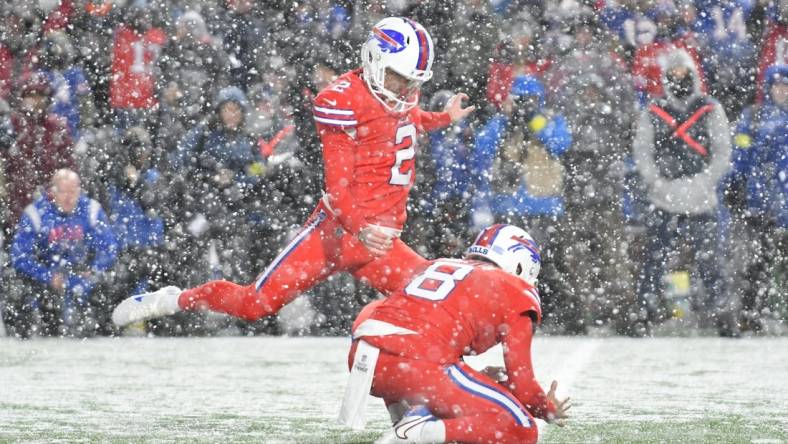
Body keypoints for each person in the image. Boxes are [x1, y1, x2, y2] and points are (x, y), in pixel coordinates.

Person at [111, 17, 473, 328]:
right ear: (376, 61)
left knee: (440, 302)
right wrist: (360, 228)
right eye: (399, 78)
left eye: (413, 81)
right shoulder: (343, 100)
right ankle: (176, 300)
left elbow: (406, 121)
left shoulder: (397, 96)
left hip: (378, 241)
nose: (406, 89)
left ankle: (420, 395)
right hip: (337, 234)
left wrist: (443, 118)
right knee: (254, 304)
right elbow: (338, 190)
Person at [343, 224, 570, 444]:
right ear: (521, 266)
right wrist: (546, 408)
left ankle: (407, 413)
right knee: (522, 428)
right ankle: (421, 430)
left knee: (422, 350)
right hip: (414, 362)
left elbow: (384, 314)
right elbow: (524, 387)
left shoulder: (436, 265)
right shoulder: (516, 289)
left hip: (365, 356)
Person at [632, 47, 733, 336]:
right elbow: (643, 153)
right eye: (673, 73)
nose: (679, 78)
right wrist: (659, 184)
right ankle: (646, 311)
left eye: (683, 73)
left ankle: (721, 313)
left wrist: (702, 182)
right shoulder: (653, 111)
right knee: (655, 259)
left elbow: (722, 153)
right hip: (662, 197)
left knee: (710, 260)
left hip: (702, 197)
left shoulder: (710, 109)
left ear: (692, 75)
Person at [3, 169, 118, 338]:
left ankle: (107, 330)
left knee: (114, 277)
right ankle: (24, 333)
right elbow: (20, 257)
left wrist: (93, 270)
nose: (69, 197)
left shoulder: (92, 210)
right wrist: (47, 276)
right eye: (64, 192)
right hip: (45, 279)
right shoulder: (35, 214)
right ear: (52, 192)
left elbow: (109, 249)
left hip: (83, 273)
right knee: (12, 280)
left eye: (73, 192)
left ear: (80, 191)